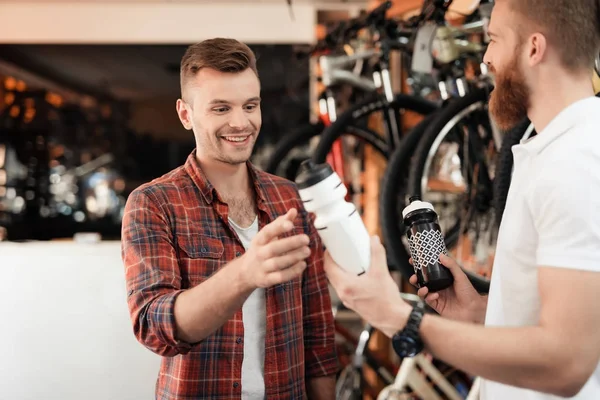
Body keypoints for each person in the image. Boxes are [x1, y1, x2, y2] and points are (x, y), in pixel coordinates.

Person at [324, 0, 600, 399]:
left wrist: (401, 317)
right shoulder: (547, 147)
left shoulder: (577, 162)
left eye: (493, 40)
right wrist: (478, 312)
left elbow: (566, 360)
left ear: (534, 48)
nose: (485, 59)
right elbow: (551, 318)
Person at [121, 38, 337, 399]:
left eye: (249, 105)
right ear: (185, 114)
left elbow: (318, 334)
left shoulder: (291, 199)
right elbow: (154, 327)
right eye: (221, 109)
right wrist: (244, 273)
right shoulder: (152, 203)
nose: (241, 122)